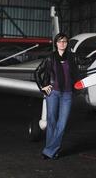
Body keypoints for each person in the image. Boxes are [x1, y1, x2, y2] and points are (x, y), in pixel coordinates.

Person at [34, 32, 78, 160]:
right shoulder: (50, 58)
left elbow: (84, 60)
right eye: (60, 41)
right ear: (56, 43)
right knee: (52, 122)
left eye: (64, 41)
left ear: (67, 43)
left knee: (62, 124)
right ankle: (53, 151)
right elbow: (37, 72)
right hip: (53, 93)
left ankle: (49, 151)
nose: (62, 43)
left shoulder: (72, 57)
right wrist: (42, 86)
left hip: (67, 94)